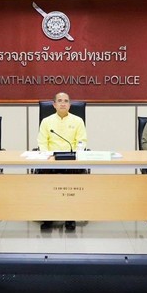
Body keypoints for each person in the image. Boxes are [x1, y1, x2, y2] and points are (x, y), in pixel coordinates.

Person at [37, 92, 87, 231]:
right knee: (48, 185)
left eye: (66, 101)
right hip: (50, 160)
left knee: (70, 186)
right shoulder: (46, 121)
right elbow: (42, 142)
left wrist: (75, 156)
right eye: (59, 101)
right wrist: (48, 157)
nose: (63, 103)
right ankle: (48, 217)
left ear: (69, 105)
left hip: (72, 161)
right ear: (54, 105)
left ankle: (70, 217)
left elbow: (82, 142)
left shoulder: (78, 121)